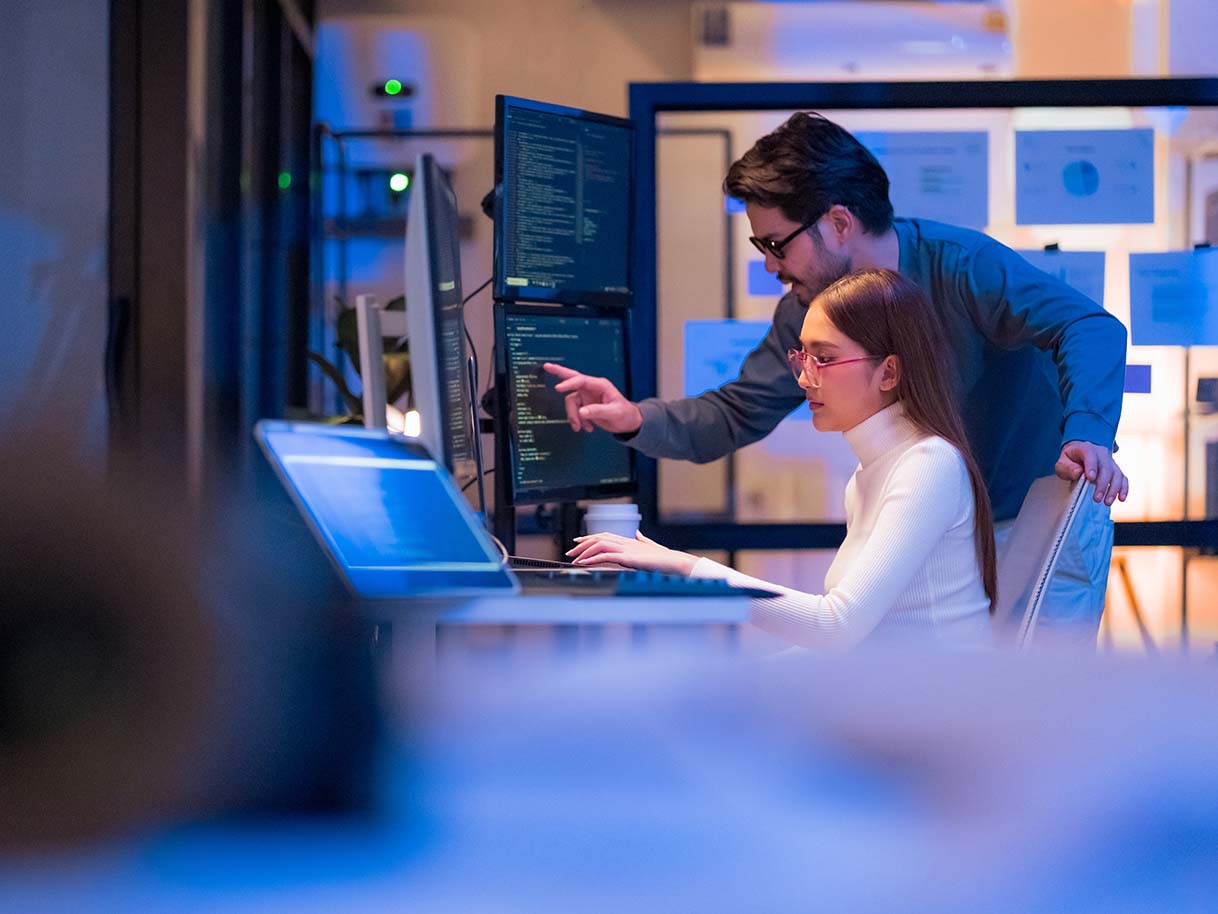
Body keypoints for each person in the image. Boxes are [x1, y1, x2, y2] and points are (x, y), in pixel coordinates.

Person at [546, 111, 1129, 646]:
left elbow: (1088, 327)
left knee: (1030, 711)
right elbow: (739, 409)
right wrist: (637, 418)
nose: (770, 265)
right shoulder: (811, 310)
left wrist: (1088, 433)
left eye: (775, 244)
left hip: (1030, 511)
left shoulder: (963, 267)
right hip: (952, 531)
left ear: (840, 222)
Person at [568, 269, 994, 650]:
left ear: (888, 373)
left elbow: (834, 626)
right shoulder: (874, 472)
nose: (805, 378)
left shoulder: (926, 465)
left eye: (824, 359)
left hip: (932, 718)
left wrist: (684, 565)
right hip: (891, 702)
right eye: (803, 356)